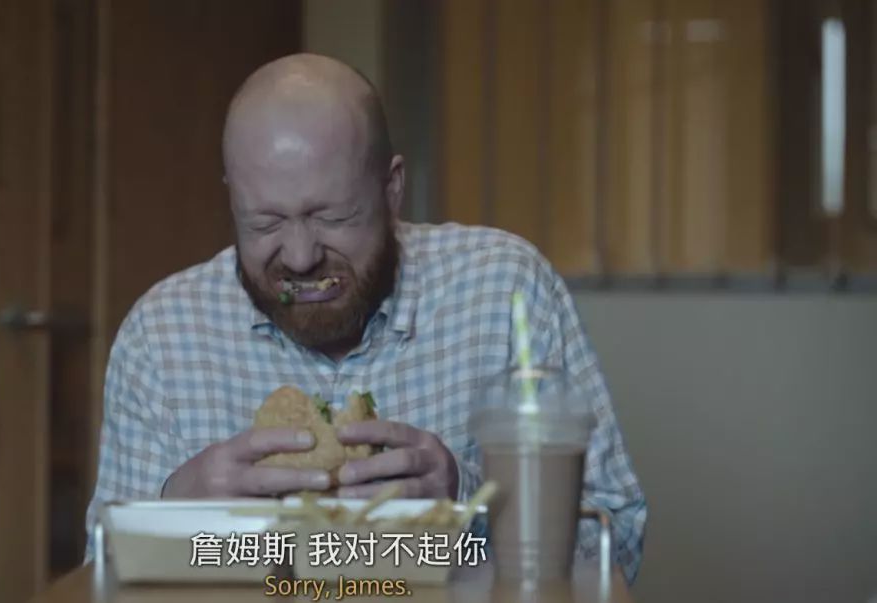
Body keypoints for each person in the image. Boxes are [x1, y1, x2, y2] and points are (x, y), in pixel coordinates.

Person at [84, 53, 647, 582]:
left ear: (392, 188)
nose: (300, 257)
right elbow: (102, 574)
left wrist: (469, 504)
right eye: (264, 224)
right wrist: (169, 514)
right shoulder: (162, 333)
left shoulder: (505, 290)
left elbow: (616, 542)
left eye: (332, 217)